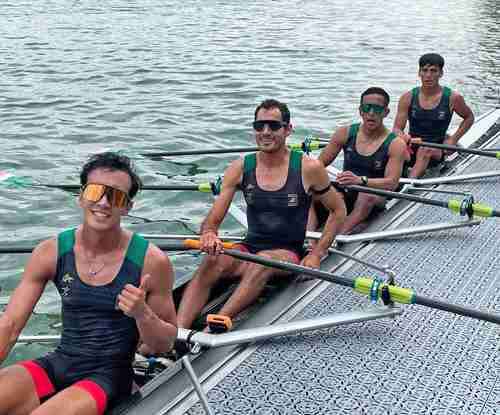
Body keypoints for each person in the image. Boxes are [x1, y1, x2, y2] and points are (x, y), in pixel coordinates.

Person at [0, 152, 177, 415]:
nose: (104, 202)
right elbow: (10, 325)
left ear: (127, 207)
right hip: (59, 363)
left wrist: (142, 313)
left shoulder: (152, 261)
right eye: (95, 191)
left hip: (109, 377)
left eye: (115, 196)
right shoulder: (50, 252)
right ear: (81, 196)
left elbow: (165, 344)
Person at [176, 99, 346, 332]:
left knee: (262, 262)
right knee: (211, 261)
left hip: (288, 254)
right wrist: (208, 233)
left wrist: (317, 253)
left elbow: (338, 211)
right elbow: (214, 219)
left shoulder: (309, 168)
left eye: (274, 126)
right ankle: (175, 333)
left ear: (288, 130)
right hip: (250, 248)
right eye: (259, 126)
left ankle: (213, 329)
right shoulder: (240, 167)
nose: (266, 132)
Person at [310, 87, 407, 235]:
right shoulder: (344, 133)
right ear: (360, 110)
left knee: (365, 196)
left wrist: (360, 180)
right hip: (347, 190)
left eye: (377, 109)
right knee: (308, 192)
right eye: (367, 108)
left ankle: (335, 237)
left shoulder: (396, 144)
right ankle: (308, 236)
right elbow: (318, 165)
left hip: (373, 195)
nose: (371, 113)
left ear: (386, 112)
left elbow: (392, 183)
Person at [393, 53, 474, 178]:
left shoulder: (453, 98)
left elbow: (469, 117)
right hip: (412, 144)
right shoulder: (407, 97)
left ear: (441, 73)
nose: (428, 75)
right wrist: (406, 139)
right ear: (419, 73)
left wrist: (453, 140)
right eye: (424, 70)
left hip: (437, 147)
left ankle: (407, 188)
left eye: (433, 71)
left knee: (425, 149)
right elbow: (397, 129)